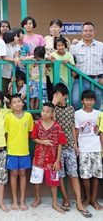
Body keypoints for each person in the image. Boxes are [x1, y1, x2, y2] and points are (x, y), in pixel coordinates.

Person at [51, 83, 92, 218]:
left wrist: (75, 144)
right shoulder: (52, 109)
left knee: (73, 174)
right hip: (57, 148)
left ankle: (79, 203)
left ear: (65, 96)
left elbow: (73, 127)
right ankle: (66, 199)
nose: (56, 96)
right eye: (55, 94)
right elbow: (52, 123)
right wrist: (53, 104)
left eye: (59, 94)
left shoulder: (70, 109)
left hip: (69, 146)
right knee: (61, 175)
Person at [30, 102, 67, 214]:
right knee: (37, 181)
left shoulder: (57, 126)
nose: (44, 113)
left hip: (52, 161)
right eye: (43, 111)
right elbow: (33, 138)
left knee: (54, 183)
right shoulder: (38, 124)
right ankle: (38, 199)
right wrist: (43, 142)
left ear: (52, 113)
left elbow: (60, 143)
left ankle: (54, 203)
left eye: (47, 111)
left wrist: (57, 160)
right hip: (39, 159)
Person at [5, 94, 34, 211]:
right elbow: (6, 134)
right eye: (14, 102)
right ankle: (14, 200)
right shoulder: (8, 117)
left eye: (19, 101)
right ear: (11, 105)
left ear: (23, 103)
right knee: (13, 174)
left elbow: (29, 132)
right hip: (12, 151)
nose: (17, 104)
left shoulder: (28, 116)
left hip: (24, 151)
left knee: (23, 174)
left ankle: (22, 200)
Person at [75, 90, 103, 210]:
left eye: (91, 100)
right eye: (87, 99)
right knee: (85, 175)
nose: (89, 102)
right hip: (83, 148)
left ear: (95, 101)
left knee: (96, 174)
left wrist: (102, 147)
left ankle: (93, 199)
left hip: (96, 147)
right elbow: (76, 130)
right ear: (82, 101)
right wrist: (75, 145)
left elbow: (101, 132)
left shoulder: (99, 114)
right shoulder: (77, 114)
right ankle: (87, 197)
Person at [70, 22, 103, 110]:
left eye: (90, 31)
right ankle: (80, 119)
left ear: (94, 32)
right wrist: (72, 72)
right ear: (81, 33)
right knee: (75, 100)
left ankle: (94, 121)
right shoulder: (74, 47)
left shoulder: (101, 46)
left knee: (97, 101)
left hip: (97, 80)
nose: (88, 33)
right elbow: (70, 62)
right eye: (85, 31)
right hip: (80, 79)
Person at [2, 29, 21, 98]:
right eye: (16, 36)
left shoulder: (17, 46)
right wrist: (14, 60)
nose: (17, 38)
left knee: (12, 92)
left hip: (13, 72)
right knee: (3, 92)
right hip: (4, 72)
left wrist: (16, 59)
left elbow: (16, 56)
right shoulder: (4, 45)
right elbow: (4, 57)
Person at [29, 46, 47, 111]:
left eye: (39, 57)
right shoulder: (31, 59)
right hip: (32, 80)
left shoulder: (45, 59)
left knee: (39, 98)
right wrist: (31, 59)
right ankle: (32, 111)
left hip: (42, 81)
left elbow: (52, 57)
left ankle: (37, 111)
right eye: (36, 56)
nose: (37, 59)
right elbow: (22, 58)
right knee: (32, 97)